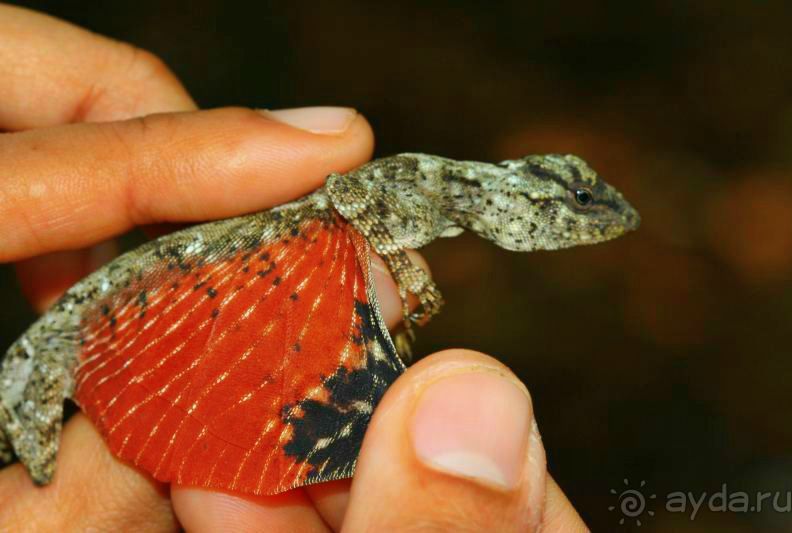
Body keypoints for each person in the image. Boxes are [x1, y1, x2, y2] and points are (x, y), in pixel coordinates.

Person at [0, 4, 586, 531]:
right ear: (527, 199)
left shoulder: (446, 197)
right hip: (262, 251)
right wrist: (407, 276)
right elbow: (349, 193)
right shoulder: (429, 182)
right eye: (568, 211)